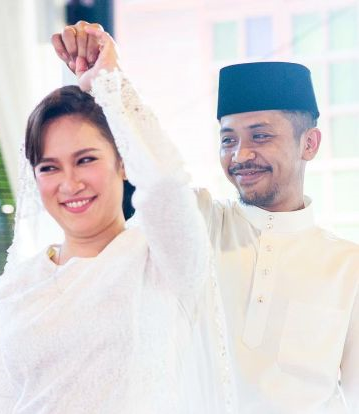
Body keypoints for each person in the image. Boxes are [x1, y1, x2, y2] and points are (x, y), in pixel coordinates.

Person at [53, 22, 359, 414]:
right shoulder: (200, 222)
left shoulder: (348, 266)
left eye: (261, 136)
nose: (240, 155)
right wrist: (110, 84)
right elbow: (159, 177)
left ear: (309, 143)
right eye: (228, 139)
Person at [0, 27, 234, 413]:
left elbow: (164, 184)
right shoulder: (16, 286)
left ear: (123, 162)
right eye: (49, 167)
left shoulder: (161, 260)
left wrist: (111, 82)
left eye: (86, 160)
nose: (70, 183)